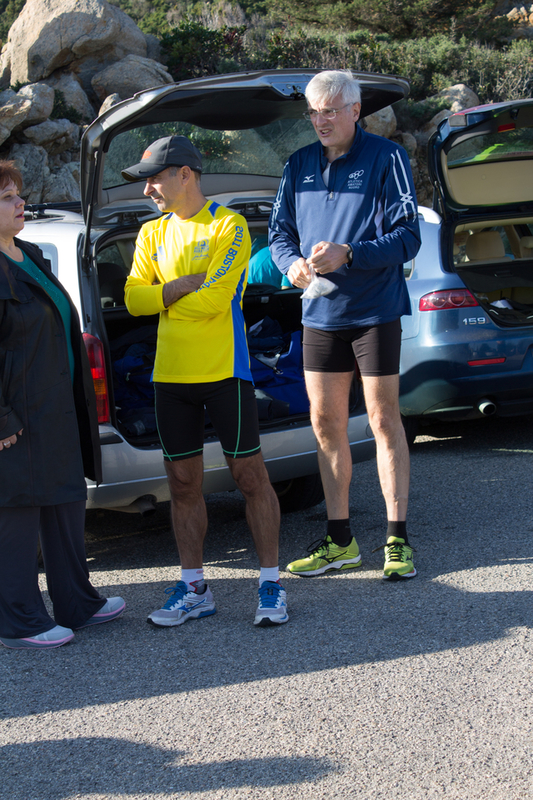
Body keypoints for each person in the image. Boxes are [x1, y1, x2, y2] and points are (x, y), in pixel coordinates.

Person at [122, 135, 288, 627]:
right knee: (182, 483)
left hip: (224, 372)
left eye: (154, 177)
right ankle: (194, 587)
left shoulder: (229, 225)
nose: (148, 187)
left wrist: (164, 295)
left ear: (185, 174)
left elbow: (217, 301)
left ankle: (271, 584)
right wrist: (179, 287)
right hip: (170, 376)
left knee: (250, 478)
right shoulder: (149, 234)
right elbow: (132, 300)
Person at [269, 70, 421, 581]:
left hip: (374, 312)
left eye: (331, 110)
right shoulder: (297, 165)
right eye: (314, 111)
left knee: (382, 421)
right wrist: (290, 262)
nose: (321, 120)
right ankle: (341, 541)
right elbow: (278, 234)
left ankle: (397, 539)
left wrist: (350, 253)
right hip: (320, 315)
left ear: (356, 111)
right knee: (326, 424)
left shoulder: (387, 158)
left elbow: (408, 237)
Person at [0, 161, 125, 649]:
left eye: (18, 194)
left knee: (66, 505)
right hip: (17, 416)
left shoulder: (28, 253)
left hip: (55, 408)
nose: (19, 203)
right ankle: (19, 618)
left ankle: (77, 601)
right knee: (17, 515)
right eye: (8, 197)